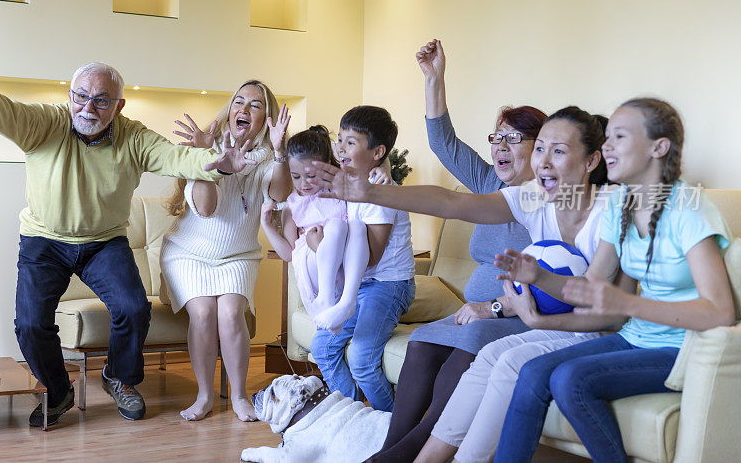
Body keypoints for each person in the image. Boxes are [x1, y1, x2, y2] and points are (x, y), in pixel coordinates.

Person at [0, 51, 256, 427]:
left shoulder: (133, 137)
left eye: (101, 100)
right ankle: (58, 391)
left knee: (133, 307)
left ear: (118, 106)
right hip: (44, 241)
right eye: (81, 96)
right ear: (69, 94)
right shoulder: (46, 123)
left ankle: (118, 377)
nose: (88, 108)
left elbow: (173, 157)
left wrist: (217, 163)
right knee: (30, 324)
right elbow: (8, 113)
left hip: (104, 242)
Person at [314, 107, 618, 459]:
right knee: (476, 354)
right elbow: (452, 202)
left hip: (578, 327)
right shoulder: (533, 198)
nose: (544, 162)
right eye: (541, 149)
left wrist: (516, 307)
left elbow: (605, 309)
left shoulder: (613, 210)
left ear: (591, 160)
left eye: (559, 151)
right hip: (541, 317)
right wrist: (369, 192)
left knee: (494, 356)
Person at [491, 98, 734, 463]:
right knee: (532, 372)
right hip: (636, 338)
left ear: (659, 148)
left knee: (571, 380)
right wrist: (538, 276)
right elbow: (588, 288)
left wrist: (628, 304)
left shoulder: (689, 208)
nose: (607, 147)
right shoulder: (621, 205)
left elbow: (720, 312)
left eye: (619, 137)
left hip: (684, 348)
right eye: (607, 138)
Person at [369, 39, 547, 461]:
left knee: (463, 350)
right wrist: (435, 78)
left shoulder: (551, 199)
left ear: (541, 145)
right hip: (472, 311)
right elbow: (444, 143)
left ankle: (409, 454)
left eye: (513, 139)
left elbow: (561, 276)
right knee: (424, 341)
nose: (499, 147)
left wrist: (495, 306)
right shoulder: (489, 182)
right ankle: (390, 446)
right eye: (496, 138)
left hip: (517, 313)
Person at [160, 80, 291, 422]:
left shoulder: (268, 160)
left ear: (266, 119)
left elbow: (279, 195)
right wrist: (212, 162)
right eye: (239, 102)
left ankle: (239, 396)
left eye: (255, 105)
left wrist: (279, 153)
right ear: (230, 110)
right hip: (188, 253)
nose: (244, 109)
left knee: (231, 314)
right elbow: (205, 209)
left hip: (238, 255)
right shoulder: (205, 149)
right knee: (203, 314)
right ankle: (204, 396)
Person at [309, 105, 416, 412]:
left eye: (350, 142)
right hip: (364, 285)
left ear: (378, 151)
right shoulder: (352, 180)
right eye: (339, 139)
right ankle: (353, 416)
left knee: (361, 358)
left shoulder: (380, 194)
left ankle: (391, 426)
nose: (340, 148)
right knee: (322, 347)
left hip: (388, 285)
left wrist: (321, 247)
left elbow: (369, 258)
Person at [261, 126, 369, 334]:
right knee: (337, 225)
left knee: (356, 225)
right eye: (296, 176)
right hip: (312, 266)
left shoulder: (340, 188)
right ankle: (326, 298)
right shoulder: (293, 205)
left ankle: (345, 302)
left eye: (310, 176)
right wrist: (267, 225)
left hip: (343, 265)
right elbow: (288, 254)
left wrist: (384, 170)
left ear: (328, 165)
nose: (304, 184)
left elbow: (370, 162)